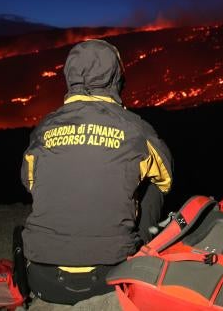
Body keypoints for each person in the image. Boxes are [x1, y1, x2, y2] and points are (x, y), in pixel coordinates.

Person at [19, 39, 173, 305]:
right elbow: (165, 179)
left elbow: (29, 182)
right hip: (111, 276)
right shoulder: (135, 128)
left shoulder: (44, 129)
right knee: (154, 184)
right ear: (117, 77)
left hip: (41, 278)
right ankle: (145, 254)